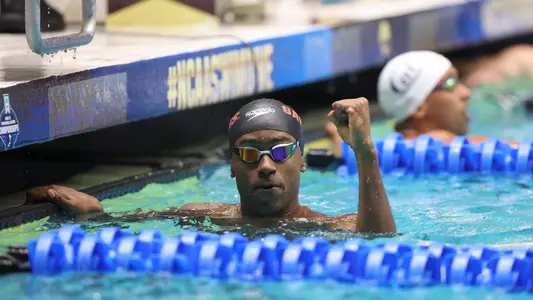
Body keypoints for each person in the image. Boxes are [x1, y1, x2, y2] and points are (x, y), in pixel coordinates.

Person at [26, 98, 397, 234]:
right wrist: (95, 213)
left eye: (281, 151)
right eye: (249, 153)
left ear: (301, 162)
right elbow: (135, 221)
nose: (266, 165)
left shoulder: (329, 227)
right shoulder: (203, 216)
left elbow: (378, 238)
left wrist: (365, 153)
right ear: (232, 167)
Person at [324, 51, 519, 158]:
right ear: (419, 107)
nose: (466, 92)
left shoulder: (382, 149)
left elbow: (345, 149)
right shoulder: (442, 142)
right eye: (451, 83)